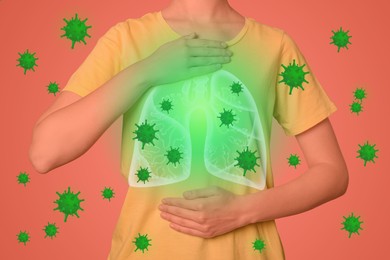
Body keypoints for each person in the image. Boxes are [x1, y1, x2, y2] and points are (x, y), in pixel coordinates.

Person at [29, 0, 349, 259]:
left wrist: (242, 211)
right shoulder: (126, 39)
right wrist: (148, 70)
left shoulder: (275, 46)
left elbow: (332, 173)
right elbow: (45, 153)